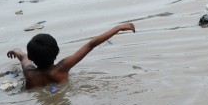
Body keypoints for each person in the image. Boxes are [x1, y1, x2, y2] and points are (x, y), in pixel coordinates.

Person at [7, 23, 136, 89]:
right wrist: (118, 28)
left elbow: (22, 56)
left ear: (31, 56)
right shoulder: (61, 69)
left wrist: (15, 50)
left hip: (34, 94)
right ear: (56, 51)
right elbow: (91, 44)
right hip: (58, 89)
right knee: (57, 90)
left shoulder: (29, 72)